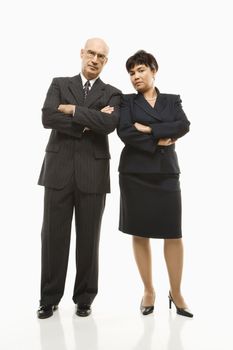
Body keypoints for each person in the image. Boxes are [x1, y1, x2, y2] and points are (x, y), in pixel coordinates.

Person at [37, 38, 121, 319]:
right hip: (58, 170)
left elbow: (108, 124)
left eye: (101, 56)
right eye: (91, 53)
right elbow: (48, 117)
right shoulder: (60, 83)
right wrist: (90, 120)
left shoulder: (113, 93)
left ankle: (84, 298)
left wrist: (72, 110)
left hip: (93, 174)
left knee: (89, 239)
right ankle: (49, 298)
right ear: (82, 54)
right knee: (52, 237)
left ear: (106, 61)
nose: (95, 59)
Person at [118, 50, 193, 317]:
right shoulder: (125, 102)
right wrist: (161, 137)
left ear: (154, 70)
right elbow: (125, 132)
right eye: (131, 73)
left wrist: (149, 130)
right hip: (134, 175)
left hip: (165, 174)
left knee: (173, 233)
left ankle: (177, 292)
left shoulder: (172, 100)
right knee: (140, 232)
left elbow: (183, 125)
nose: (135, 76)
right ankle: (149, 290)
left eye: (140, 70)